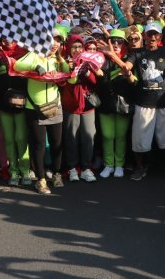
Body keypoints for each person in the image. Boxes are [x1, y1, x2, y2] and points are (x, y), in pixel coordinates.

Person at [124, 22, 165, 182]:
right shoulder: (137, 52)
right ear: (145, 36)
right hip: (143, 102)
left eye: (155, 34)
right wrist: (125, 68)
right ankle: (139, 168)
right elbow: (127, 66)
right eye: (149, 34)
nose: (152, 37)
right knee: (140, 139)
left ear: (160, 37)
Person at [14, 34, 70, 195]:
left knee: (56, 143)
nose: (55, 44)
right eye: (52, 40)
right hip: (35, 108)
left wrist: (61, 60)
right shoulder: (34, 55)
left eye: (58, 41)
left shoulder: (58, 60)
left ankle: (57, 174)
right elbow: (17, 65)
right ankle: (41, 179)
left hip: (55, 107)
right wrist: (34, 67)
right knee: (38, 146)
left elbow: (70, 77)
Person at [62, 36, 100, 183]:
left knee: (88, 137)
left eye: (79, 47)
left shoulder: (89, 63)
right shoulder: (63, 62)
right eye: (74, 47)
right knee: (71, 138)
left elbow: (95, 81)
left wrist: (87, 71)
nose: (77, 50)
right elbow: (61, 83)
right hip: (70, 106)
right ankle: (72, 168)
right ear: (69, 48)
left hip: (88, 106)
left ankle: (86, 168)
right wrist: (69, 70)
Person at [95, 31, 132, 179]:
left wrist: (113, 56)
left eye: (119, 41)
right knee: (107, 135)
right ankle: (108, 164)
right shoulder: (100, 58)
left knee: (121, 136)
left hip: (124, 104)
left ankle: (119, 165)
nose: (116, 44)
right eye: (113, 41)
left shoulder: (130, 58)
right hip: (105, 103)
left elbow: (131, 76)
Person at [0, 46, 32, 187]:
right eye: (3, 38)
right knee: (9, 140)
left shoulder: (25, 54)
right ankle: (14, 172)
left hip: (21, 106)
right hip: (4, 108)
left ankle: (25, 171)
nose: (7, 40)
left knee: (21, 138)